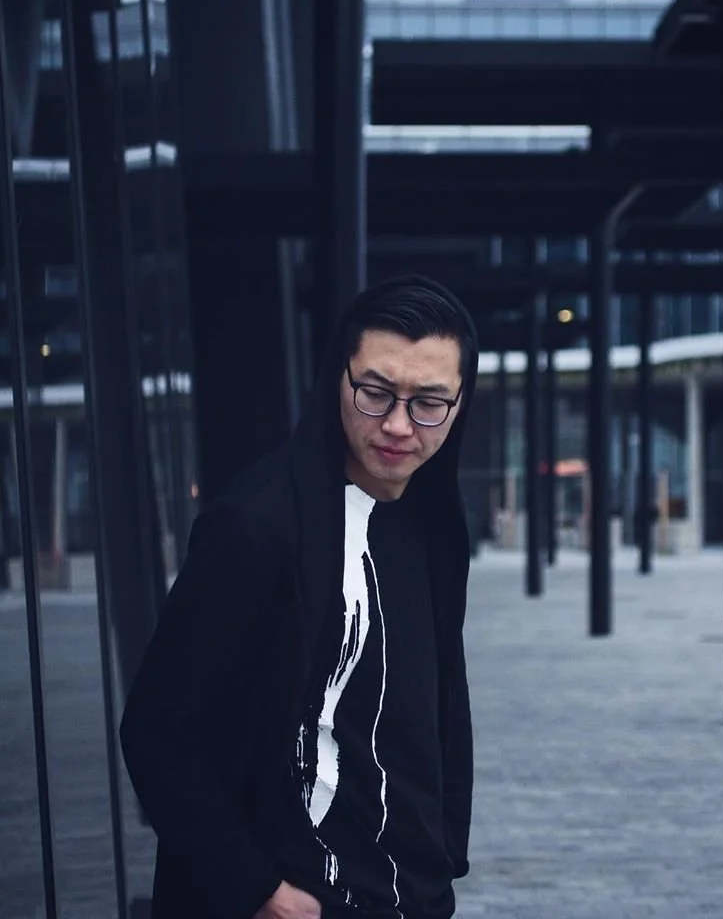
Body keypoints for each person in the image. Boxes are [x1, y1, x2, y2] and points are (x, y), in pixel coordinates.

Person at [120, 275, 479, 919]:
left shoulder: (432, 527)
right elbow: (157, 732)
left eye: (429, 402)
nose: (398, 425)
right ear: (337, 379)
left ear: (458, 404)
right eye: (375, 393)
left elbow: (435, 706)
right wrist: (255, 891)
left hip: (410, 897)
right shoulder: (257, 525)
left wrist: (446, 849)